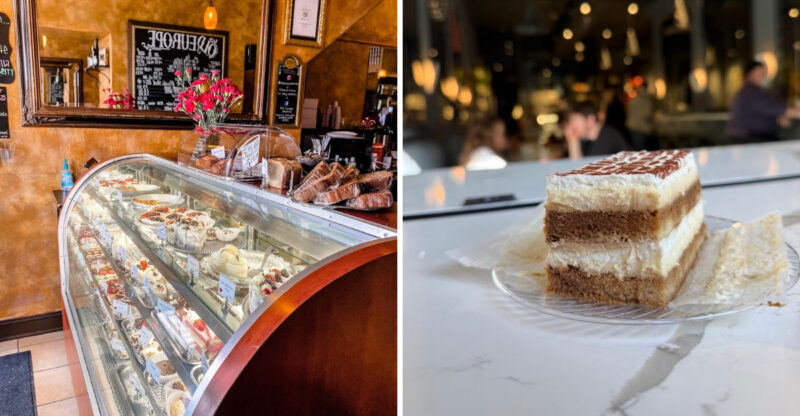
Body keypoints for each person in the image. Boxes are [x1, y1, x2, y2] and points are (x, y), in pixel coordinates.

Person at [725, 60, 800, 142]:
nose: (763, 75)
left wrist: (778, 116)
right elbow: (772, 107)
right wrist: (793, 111)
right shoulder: (749, 91)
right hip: (748, 138)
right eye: (759, 72)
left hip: (752, 137)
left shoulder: (753, 90)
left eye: (763, 72)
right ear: (749, 73)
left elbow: (766, 109)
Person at [562, 102, 629, 159]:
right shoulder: (584, 140)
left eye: (575, 120)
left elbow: (581, 170)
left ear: (591, 120)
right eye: (570, 121)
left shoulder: (608, 137)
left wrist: (573, 142)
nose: (571, 126)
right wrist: (573, 140)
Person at [627, 81, 657, 150]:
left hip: (634, 126)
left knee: (638, 148)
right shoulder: (646, 99)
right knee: (640, 148)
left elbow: (629, 111)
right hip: (641, 127)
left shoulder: (635, 99)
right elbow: (648, 114)